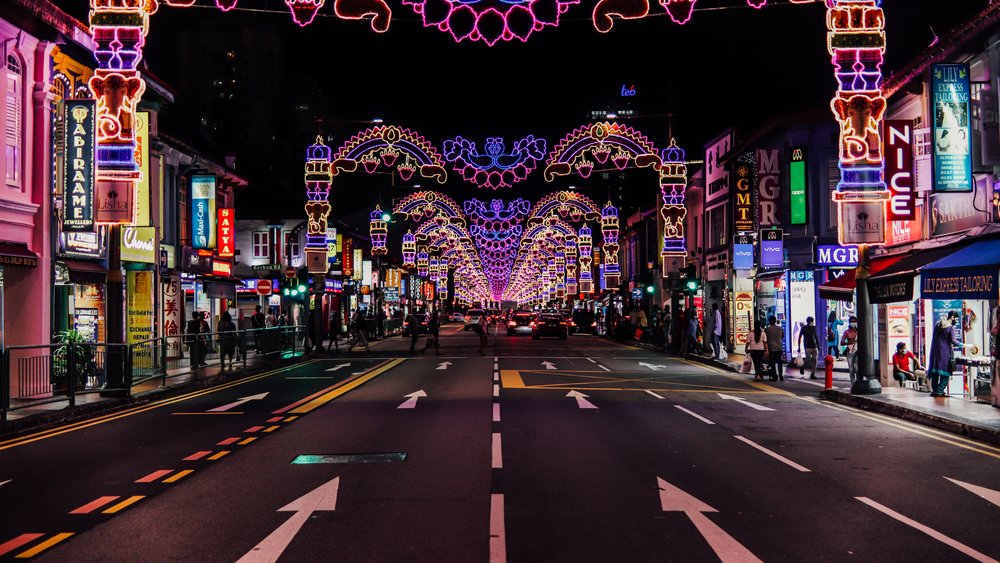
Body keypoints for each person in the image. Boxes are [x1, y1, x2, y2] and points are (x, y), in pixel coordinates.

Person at [928, 311, 964, 397]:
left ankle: (935, 390)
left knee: (935, 373)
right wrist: (964, 345)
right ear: (952, 317)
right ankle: (940, 391)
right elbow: (954, 341)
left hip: (935, 352)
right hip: (944, 353)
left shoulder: (937, 326)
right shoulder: (951, 327)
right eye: (956, 318)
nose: (956, 320)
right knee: (946, 373)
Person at [764, 315, 784, 381]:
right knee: (779, 361)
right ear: (775, 321)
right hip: (779, 346)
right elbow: (782, 336)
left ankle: (774, 375)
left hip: (771, 347)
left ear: (769, 321)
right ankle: (781, 375)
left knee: (772, 362)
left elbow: (765, 339)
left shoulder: (767, 329)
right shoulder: (780, 328)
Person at [841, 316, 860, 384]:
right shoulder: (846, 332)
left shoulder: (859, 331)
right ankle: (853, 384)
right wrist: (848, 343)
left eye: (854, 322)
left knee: (857, 369)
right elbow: (842, 342)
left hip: (857, 351)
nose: (853, 323)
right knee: (851, 369)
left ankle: (858, 382)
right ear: (849, 323)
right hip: (849, 352)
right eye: (852, 322)